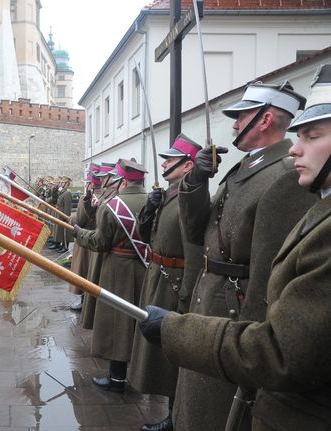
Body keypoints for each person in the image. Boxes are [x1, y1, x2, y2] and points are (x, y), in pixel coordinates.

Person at [139, 63, 331, 431]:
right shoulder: (245, 168)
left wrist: (249, 337)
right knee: (193, 405)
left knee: (211, 411)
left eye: (241, 116)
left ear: (265, 119)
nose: (233, 124)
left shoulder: (284, 178)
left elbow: (268, 278)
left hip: (236, 309)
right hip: (211, 295)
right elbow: (198, 234)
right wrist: (196, 177)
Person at [128, 135, 203, 431]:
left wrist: (187, 295)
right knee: (158, 350)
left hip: (175, 282)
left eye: (171, 160)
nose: (164, 164)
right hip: (158, 275)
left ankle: (175, 418)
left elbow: (195, 250)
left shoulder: (188, 199)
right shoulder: (170, 194)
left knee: (173, 352)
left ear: (187, 167)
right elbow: (147, 236)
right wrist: (148, 210)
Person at [73, 159, 148, 392]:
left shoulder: (113, 205)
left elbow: (100, 241)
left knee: (118, 324)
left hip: (117, 269)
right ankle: (140, 373)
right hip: (146, 268)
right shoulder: (154, 200)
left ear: (123, 180)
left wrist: (79, 234)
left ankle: (117, 379)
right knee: (140, 320)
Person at [79, 162, 118, 329]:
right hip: (97, 239)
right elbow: (95, 217)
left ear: (112, 178)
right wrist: (89, 201)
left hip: (103, 244)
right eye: (100, 177)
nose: (100, 180)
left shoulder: (113, 198)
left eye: (104, 177)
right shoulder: (104, 196)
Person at [67, 164, 100, 312]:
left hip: (84, 238)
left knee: (82, 271)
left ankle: (83, 300)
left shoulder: (85, 198)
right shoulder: (103, 196)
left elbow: (79, 219)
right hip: (95, 238)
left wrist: (71, 219)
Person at [53, 176, 73, 253]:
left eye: (62, 182)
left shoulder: (67, 193)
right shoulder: (63, 191)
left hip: (64, 214)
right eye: (60, 182)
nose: (60, 184)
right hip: (60, 213)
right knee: (60, 231)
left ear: (67, 183)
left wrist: (66, 217)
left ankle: (65, 246)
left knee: (65, 232)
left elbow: (67, 206)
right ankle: (62, 245)